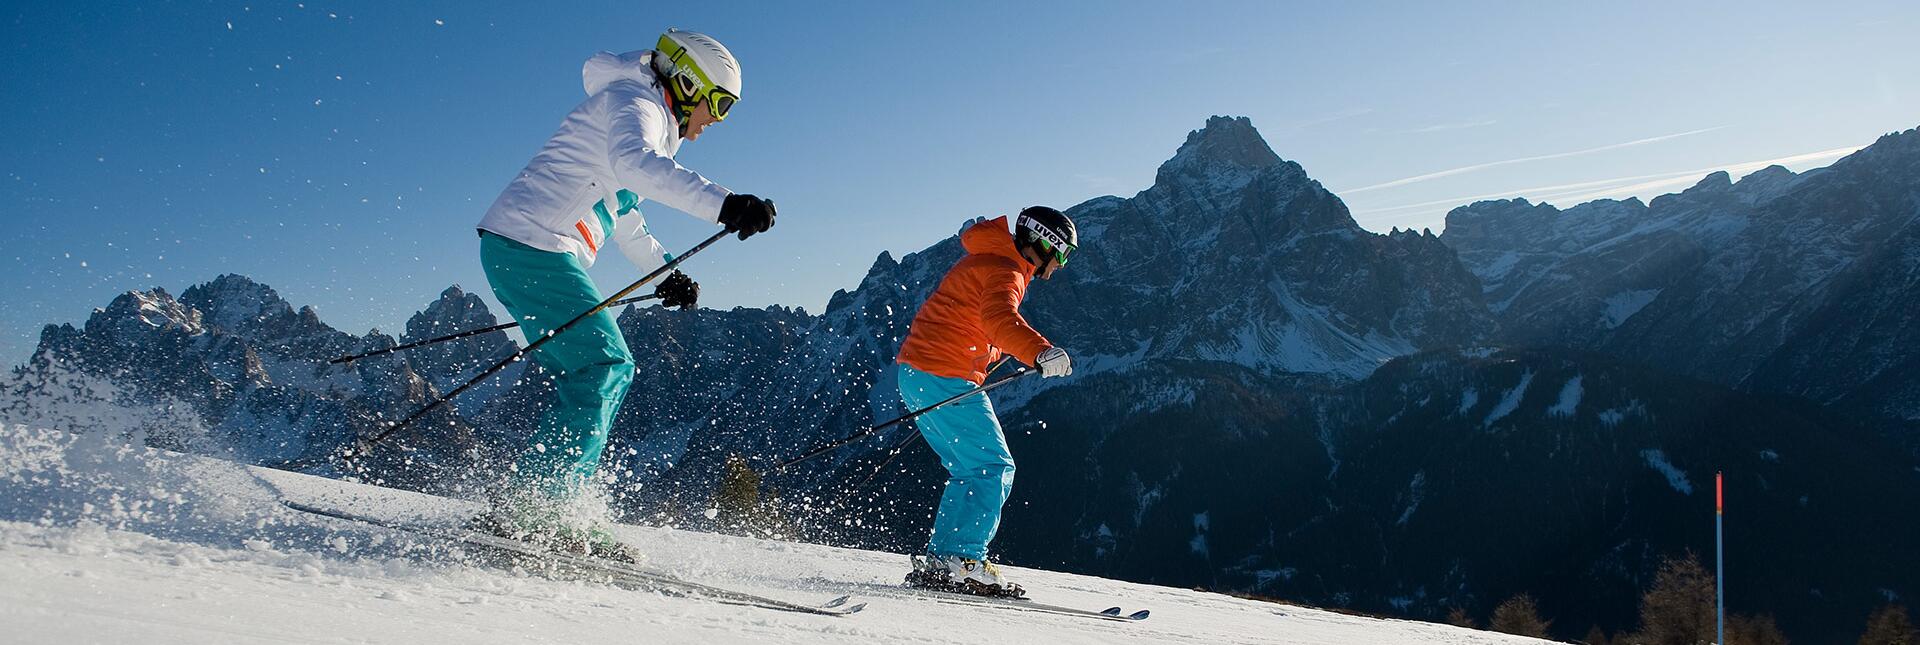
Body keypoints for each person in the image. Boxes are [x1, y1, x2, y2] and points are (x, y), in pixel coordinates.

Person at [471, 29, 776, 559]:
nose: (716, 121)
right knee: (604, 366)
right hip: (531, 244)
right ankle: (534, 511)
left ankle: (539, 505)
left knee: (604, 368)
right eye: (718, 103)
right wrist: (726, 204)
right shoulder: (634, 104)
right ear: (686, 82)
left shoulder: (640, 120)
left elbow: (626, 215)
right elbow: (638, 169)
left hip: (532, 247)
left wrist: (664, 274)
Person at [893, 207, 1078, 597]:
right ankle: (961, 559)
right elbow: (998, 320)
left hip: (923, 373)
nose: (1061, 266)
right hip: (941, 374)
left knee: (970, 468)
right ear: (1043, 244)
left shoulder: (992, 260)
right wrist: (1039, 352)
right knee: (992, 466)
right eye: (1061, 255)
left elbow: (975, 323)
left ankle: (947, 561)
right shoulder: (1005, 270)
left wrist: (992, 353)